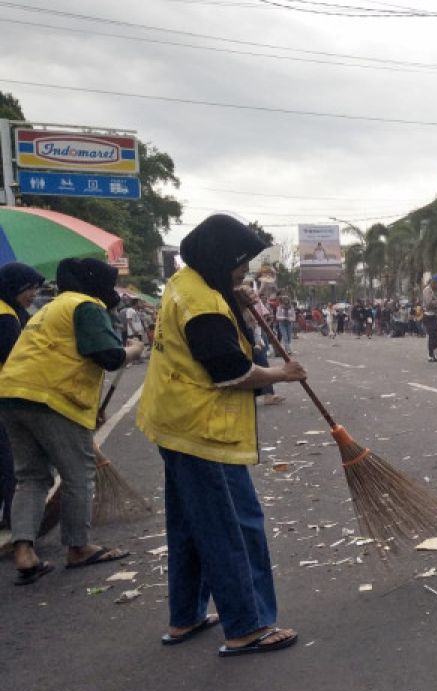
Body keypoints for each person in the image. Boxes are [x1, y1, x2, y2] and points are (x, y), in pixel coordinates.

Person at [138, 213, 306, 655]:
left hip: (173, 421)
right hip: (203, 429)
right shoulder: (206, 305)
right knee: (233, 526)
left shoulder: (185, 283)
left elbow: (210, 324)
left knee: (190, 525)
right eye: (240, 264)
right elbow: (228, 368)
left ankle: (186, 616)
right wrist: (281, 374)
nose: (244, 272)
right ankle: (247, 625)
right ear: (221, 259)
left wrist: (234, 295)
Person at [0, 257, 144, 585]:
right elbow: (108, 356)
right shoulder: (86, 306)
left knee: (30, 477)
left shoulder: (51, 307)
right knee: (79, 472)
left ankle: (24, 551)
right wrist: (133, 350)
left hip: (11, 395)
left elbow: (60, 353)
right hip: (51, 398)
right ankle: (78, 547)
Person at [0, 261, 45, 541]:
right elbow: (16, 359)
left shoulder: (11, 312)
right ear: (14, 287)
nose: (33, 295)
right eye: (29, 289)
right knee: (11, 461)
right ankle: (17, 525)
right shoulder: (5, 318)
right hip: (7, 397)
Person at [421, 275, 437, 362]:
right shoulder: (427, 290)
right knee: (432, 336)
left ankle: (435, 354)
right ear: (433, 282)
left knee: (436, 336)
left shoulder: (432, 291)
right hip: (429, 315)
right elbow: (429, 303)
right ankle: (430, 355)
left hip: (433, 315)